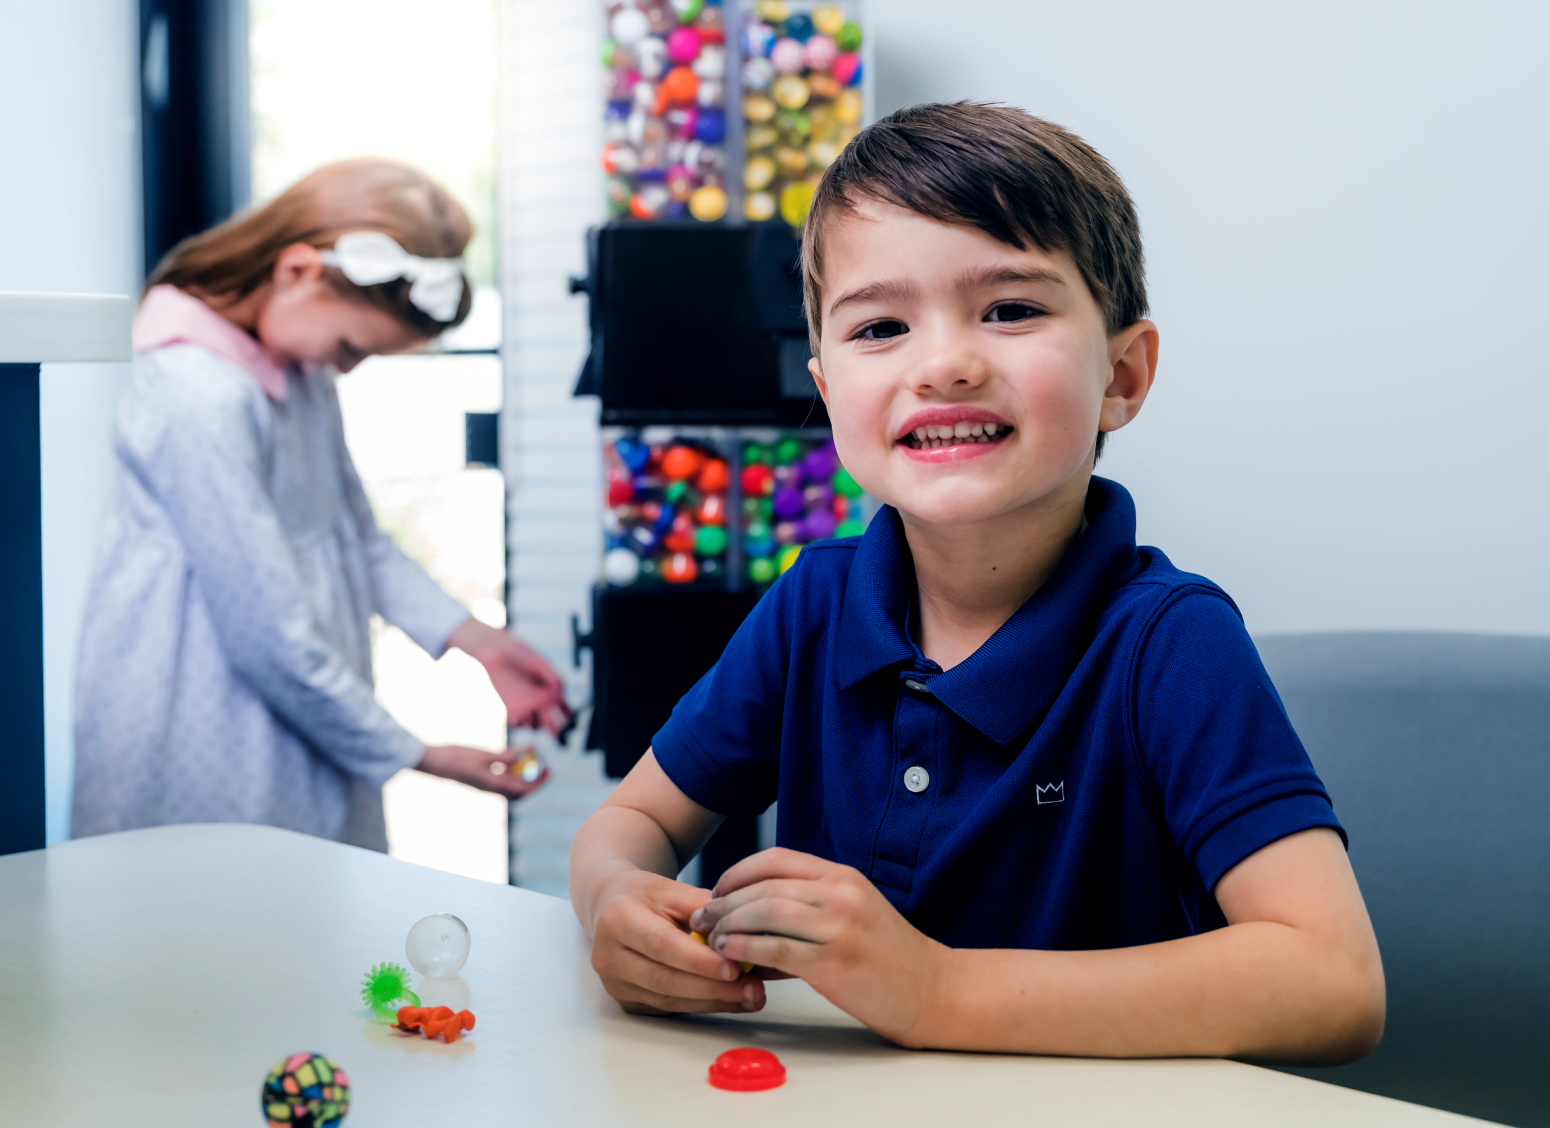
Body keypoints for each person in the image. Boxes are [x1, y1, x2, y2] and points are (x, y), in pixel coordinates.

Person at [569, 104, 1386, 1062]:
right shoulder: (813, 605)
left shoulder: (1169, 642)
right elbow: (630, 823)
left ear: (1121, 375)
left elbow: (1334, 982)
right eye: (880, 326)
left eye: (1010, 309)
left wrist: (936, 988)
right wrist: (613, 902)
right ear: (829, 391)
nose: (945, 363)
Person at [72, 158, 568, 852]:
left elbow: (351, 536)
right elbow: (264, 632)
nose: (348, 367)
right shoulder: (195, 392)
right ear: (298, 270)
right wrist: (417, 753)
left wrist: (473, 639)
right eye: (351, 347)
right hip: (199, 716)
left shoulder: (297, 371)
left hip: (301, 711)